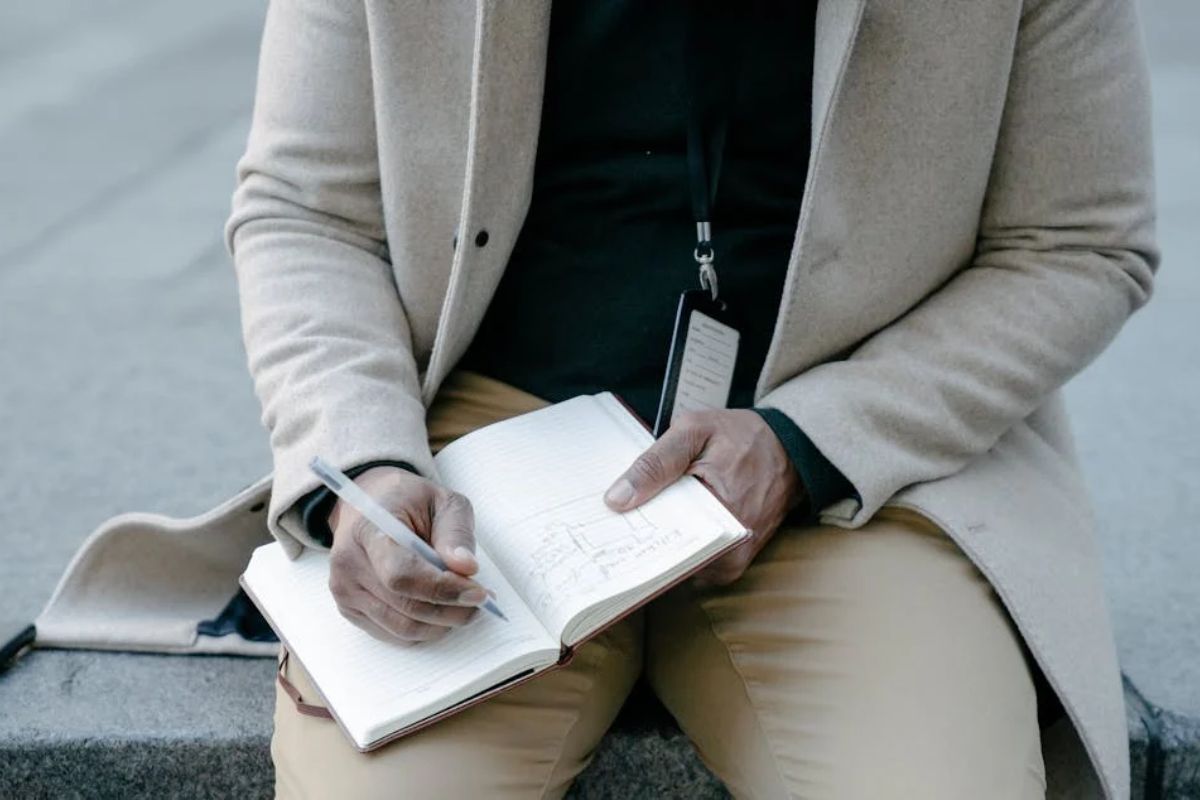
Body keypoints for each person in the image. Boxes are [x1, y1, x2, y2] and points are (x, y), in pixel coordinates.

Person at [225, 0, 1157, 797]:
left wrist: (810, 442)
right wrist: (365, 466)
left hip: (856, 459)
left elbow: (1078, 242)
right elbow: (306, 211)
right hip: (477, 451)